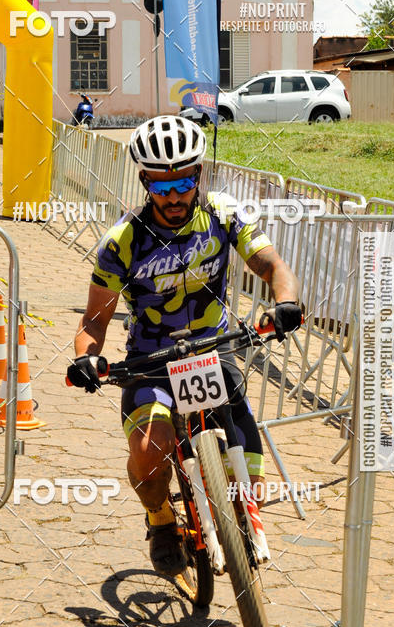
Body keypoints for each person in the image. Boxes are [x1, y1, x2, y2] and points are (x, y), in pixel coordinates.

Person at [67, 115, 301, 576]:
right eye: (162, 187)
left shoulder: (223, 213)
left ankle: (236, 522)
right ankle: (160, 519)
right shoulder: (122, 242)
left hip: (214, 346)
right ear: (145, 182)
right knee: (151, 451)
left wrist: (285, 304)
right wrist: (86, 358)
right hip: (150, 359)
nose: (174, 198)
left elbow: (273, 266)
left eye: (184, 183)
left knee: (245, 476)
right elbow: (95, 320)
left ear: (200, 175)